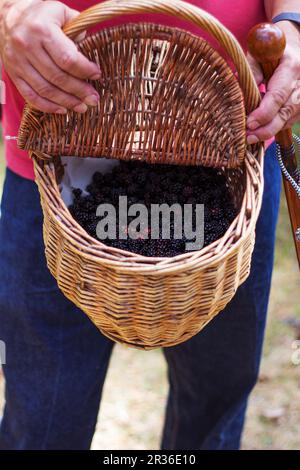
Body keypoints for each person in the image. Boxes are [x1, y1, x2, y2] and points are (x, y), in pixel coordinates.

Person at [0, 0, 299, 450]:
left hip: (231, 140)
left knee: (214, 406)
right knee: (44, 422)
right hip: (61, 145)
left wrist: (292, 23)